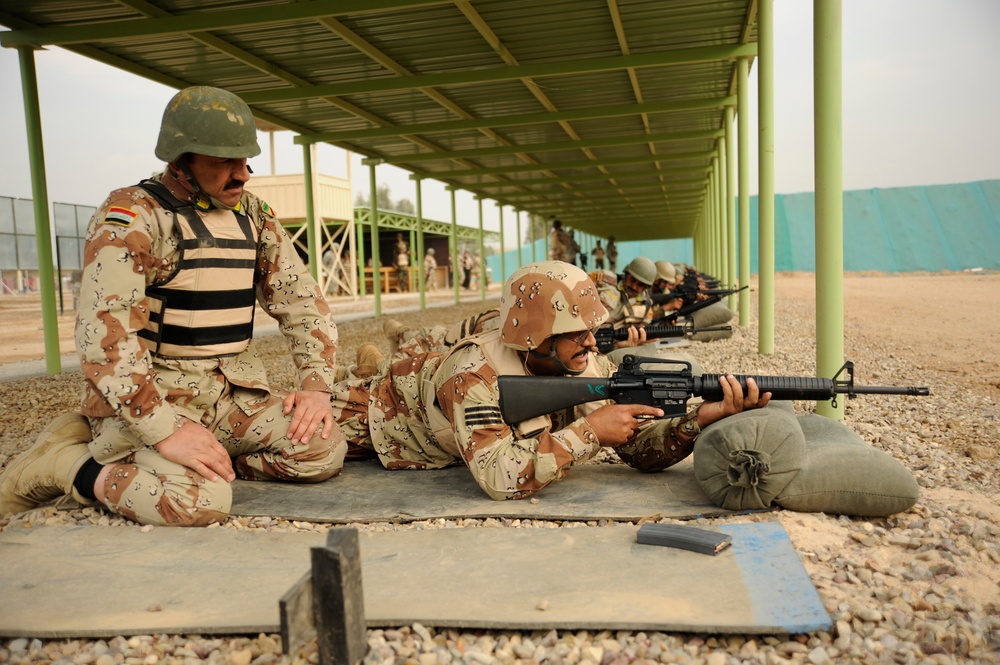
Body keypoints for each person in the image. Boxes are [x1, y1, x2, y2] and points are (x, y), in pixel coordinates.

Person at [0, 87, 347, 527]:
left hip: (227, 396)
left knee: (321, 451)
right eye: (224, 162)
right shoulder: (134, 215)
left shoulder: (254, 215)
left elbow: (301, 303)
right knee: (198, 505)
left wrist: (316, 385)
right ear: (181, 161)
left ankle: (202, 462)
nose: (242, 175)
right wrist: (165, 429)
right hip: (153, 398)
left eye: (245, 161)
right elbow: (105, 340)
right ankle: (66, 465)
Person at [328, 261, 770, 500]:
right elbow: (498, 478)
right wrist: (588, 432)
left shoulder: (583, 363)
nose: (593, 343)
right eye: (575, 334)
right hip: (380, 417)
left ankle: (368, 364)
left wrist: (699, 419)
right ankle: (362, 370)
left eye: (592, 330)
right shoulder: (474, 373)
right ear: (535, 337)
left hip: (437, 417)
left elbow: (637, 449)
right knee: (303, 447)